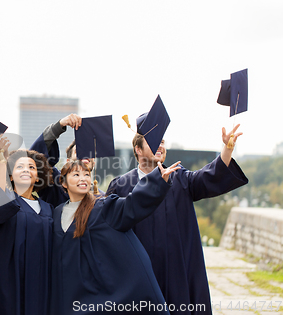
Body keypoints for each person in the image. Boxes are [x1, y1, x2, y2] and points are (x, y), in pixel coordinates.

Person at [105, 124, 249, 315]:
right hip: (137, 274)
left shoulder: (180, 178)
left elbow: (210, 176)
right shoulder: (121, 186)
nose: (160, 145)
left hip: (177, 272)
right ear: (138, 149)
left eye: (162, 141)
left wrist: (227, 148)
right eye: (153, 140)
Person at [51, 159, 180, 314]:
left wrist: (157, 181)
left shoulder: (102, 207)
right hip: (71, 293)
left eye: (86, 174)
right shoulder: (56, 213)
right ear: (64, 183)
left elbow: (132, 204)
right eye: (76, 174)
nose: (83, 178)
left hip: (99, 293)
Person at [0, 137, 54, 315]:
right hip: (7, 282)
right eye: (19, 166)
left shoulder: (49, 209)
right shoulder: (7, 201)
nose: (26, 170)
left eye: (31, 167)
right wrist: (2, 159)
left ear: (38, 176)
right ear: (10, 176)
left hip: (40, 283)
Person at [30, 114, 101, 207]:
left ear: (94, 162)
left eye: (89, 152)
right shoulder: (55, 183)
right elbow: (35, 160)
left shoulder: (101, 198)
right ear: (68, 161)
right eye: (78, 151)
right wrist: (59, 126)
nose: (85, 154)